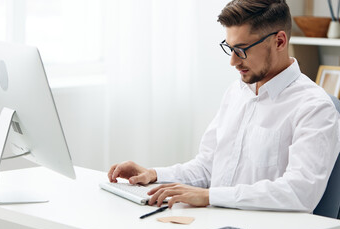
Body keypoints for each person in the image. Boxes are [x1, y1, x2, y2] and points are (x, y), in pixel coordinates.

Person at [107, 0, 340, 212]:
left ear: (279, 41)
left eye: (242, 50)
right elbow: (208, 167)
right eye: (229, 48)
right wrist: (155, 174)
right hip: (217, 224)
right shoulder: (236, 93)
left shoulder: (314, 107)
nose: (233, 61)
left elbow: (299, 192)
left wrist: (210, 196)